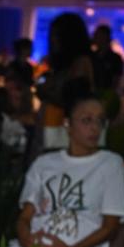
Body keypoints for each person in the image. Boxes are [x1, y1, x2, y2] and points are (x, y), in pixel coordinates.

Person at [0, 83, 124, 247]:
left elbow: (110, 227)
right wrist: (25, 238)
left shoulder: (110, 164)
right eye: (87, 120)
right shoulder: (44, 163)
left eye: (100, 120)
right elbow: (25, 217)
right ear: (67, 124)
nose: (95, 127)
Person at [35, 12, 93, 152]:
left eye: (56, 35)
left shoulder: (80, 64)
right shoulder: (63, 65)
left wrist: (46, 92)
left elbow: (75, 102)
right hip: (52, 128)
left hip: (61, 133)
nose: (52, 40)